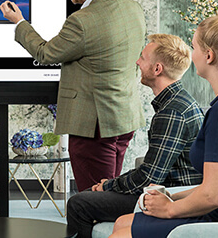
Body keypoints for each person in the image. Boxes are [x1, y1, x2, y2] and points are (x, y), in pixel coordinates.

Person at [110, 16, 218, 238]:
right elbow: (213, 186)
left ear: (208, 55)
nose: (191, 55)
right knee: (123, 222)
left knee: (120, 235)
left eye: (193, 47)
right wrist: (172, 198)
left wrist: (169, 209)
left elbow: (212, 196)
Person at [0, 0, 146, 191]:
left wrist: (19, 22)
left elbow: (45, 53)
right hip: (123, 119)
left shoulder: (83, 21)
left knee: (95, 199)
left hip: (94, 126)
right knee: (111, 193)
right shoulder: (133, 9)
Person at [66, 34, 204, 238]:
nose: (137, 62)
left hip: (170, 196)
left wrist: (108, 185)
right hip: (165, 189)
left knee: (79, 203)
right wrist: (111, 184)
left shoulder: (172, 112)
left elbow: (148, 178)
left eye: (143, 57)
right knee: (90, 194)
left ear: (158, 69)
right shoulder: (178, 102)